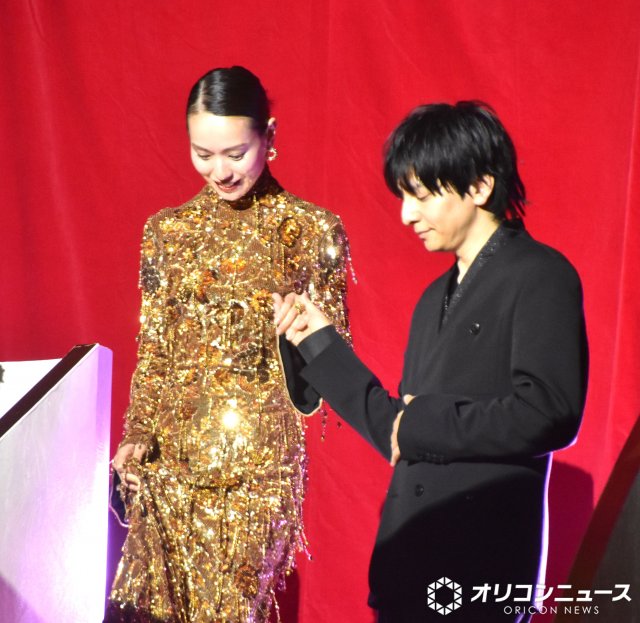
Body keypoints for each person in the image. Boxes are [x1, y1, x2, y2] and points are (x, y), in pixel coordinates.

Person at [274, 102, 588, 622]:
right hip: (407, 570)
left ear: (480, 186)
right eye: (403, 197)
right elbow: (399, 432)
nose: (406, 215)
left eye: (419, 195)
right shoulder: (430, 300)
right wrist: (320, 346)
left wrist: (420, 422)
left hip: (479, 573)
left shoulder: (541, 275)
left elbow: (549, 412)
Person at [105, 66, 349, 623]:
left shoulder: (313, 231)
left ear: (270, 136)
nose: (220, 171)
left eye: (236, 154)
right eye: (203, 154)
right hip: (169, 464)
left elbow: (335, 378)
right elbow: (156, 350)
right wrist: (135, 436)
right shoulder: (167, 232)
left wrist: (300, 337)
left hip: (259, 471)